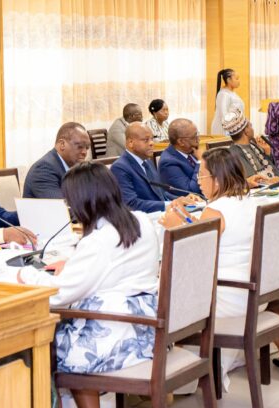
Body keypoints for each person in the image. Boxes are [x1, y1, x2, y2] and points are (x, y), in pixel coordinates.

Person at [17, 162, 160, 408]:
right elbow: (113, 270)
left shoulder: (98, 242)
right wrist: (73, 265)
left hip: (112, 340)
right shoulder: (143, 221)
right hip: (146, 333)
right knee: (72, 334)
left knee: (37, 352)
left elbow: (59, 295)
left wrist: (25, 276)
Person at [158, 146, 264, 379]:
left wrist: (174, 228)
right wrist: (187, 219)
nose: (199, 182)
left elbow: (194, 260)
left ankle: (174, 370)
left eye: (201, 176)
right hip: (251, 291)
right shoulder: (249, 201)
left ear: (217, 180)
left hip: (225, 295)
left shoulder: (216, 209)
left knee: (160, 294)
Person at [110, 123, 197, 213]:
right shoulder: (120, 168)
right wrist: (169, 204)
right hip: (142, 220)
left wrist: (182, 199)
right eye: (146, 140)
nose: (152, 143)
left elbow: (160, 193)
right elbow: (131, 204)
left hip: (159, 214)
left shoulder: (147, 161)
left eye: (152, 139)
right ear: (130, 142)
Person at [23, 122, 90, 199]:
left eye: (87, 148)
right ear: (62, 144)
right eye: (80, 147)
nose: (85, 152)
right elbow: (60, 206)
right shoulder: (44, 169)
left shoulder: (76, 167)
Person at [221, 108, 279, 187]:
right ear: (246, 131)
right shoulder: (234, 153)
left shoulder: (253, 145)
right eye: (250, 126)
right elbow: (253, 181)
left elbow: (271, 169)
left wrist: (267, 151)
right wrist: (271, 181)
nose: (252, 128)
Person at [158, 118, 202, 196]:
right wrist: (200, 162)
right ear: (181, 142)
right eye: (194, 137)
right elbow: (190, 191)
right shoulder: (168, 162)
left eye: (197, 134)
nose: (198, 139)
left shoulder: (192, 150)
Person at [211, 68, 244, 135]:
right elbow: (224, 117)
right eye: (236, 78)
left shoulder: (232, 93)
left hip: (233, 129)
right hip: (224, 131)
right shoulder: (224, 94)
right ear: (229, 80)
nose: (239, 81)